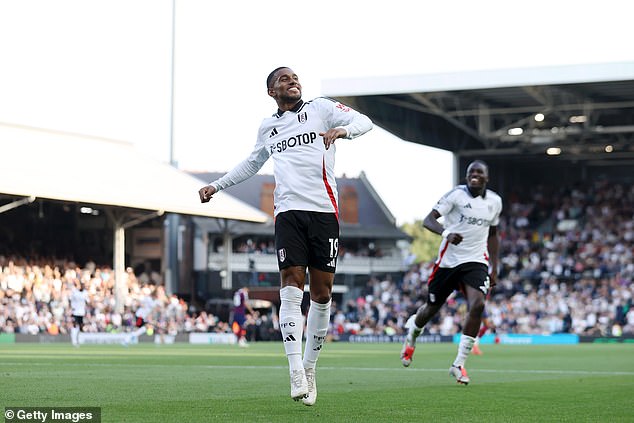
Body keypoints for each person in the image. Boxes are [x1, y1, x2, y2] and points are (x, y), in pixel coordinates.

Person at [199, 67, 373, 405]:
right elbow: (252, 163)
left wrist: (343, 131)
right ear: (271, 92)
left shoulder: (321, 108)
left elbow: (366, 122)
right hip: (288, 214)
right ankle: (295, 369)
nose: (292, 81)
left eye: (294, 77)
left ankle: (310, 368)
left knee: (321, 295)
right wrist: (217, 185)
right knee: (291, 286)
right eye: (283, 79)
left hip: (324, 212)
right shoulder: (268, 127)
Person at [400, 160, 501, 385]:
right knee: (430, 309)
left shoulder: (495, 202)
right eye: (470, 172)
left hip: (476, 261)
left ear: (487, 177)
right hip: (448, 262)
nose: (474, 175)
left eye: (479, 172)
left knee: (478, 305)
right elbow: (428, 220)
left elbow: (493, 235)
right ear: (466, 176)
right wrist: (446, 233)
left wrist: (495, 266)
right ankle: (411, 337)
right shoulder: (455, 196)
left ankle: (458, 364)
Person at [69, 282, 89, 347]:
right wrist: (71, 309)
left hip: (82, 312)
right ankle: (74, 341)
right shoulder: (75, 293)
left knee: (81, 327)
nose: (83, 287)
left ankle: (79, 340)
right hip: (75, 312)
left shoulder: (85, 293)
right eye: (82, 286)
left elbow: (87, 301)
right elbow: (70, 300)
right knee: (75, 326)